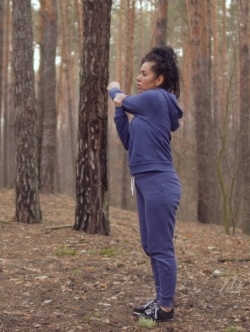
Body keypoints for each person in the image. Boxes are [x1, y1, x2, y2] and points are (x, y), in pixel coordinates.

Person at [107, 46, 183, 322]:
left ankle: (165, 308)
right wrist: (118, 110)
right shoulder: (147, 110)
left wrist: (114, 90)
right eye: (138, 73)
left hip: (159, 182)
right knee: (150, 245)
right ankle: (161, 299)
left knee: (161, 247)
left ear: (159, 79)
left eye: (144, 73)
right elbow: (128, 141)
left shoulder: (156, 98)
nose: (139, 78)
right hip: (144, 181)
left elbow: (121, 97)